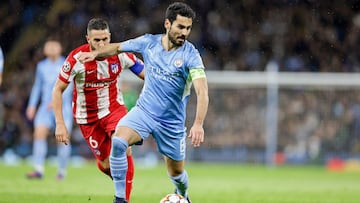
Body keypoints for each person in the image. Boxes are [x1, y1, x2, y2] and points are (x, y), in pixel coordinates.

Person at [78, 2, 209, 203]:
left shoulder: (191, 55)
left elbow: (202, 90)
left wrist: (198, 123)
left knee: (176, 173)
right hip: (144, 112)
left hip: (171, 123)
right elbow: (117, 47)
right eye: (180, 27)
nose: (185, 32)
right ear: (167, 23)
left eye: (188, 28)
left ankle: (183, 195)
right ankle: (120, 199)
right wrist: (95, 53)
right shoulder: (149, 42)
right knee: (119, 141)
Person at [52, 18, 145, 202]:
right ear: (88, 39)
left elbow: (147, 75)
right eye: (97, 40)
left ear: (110, 36)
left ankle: (123, 199)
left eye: (105, 39)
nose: (102, 44)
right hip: (87, 117)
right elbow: (57, 89)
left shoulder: (121, 54)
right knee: (106, 164)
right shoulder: (76, 59)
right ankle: (118, 178)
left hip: (114, 109)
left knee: (122, 145)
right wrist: (60, 123)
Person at [26, 39, 74, 180]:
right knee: (39, 133)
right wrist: (32, 105)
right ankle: (38, 169)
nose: (52, 49)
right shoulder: (41, 66)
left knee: (62, 138)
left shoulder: (66, 63)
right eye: (49, 47)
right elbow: (37, 86)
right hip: (45, 108)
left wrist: (57, 101)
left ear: (60, 48)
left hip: (62, 107)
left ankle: (61, 171)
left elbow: (70, 86)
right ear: (45, 50)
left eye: (55, 46)